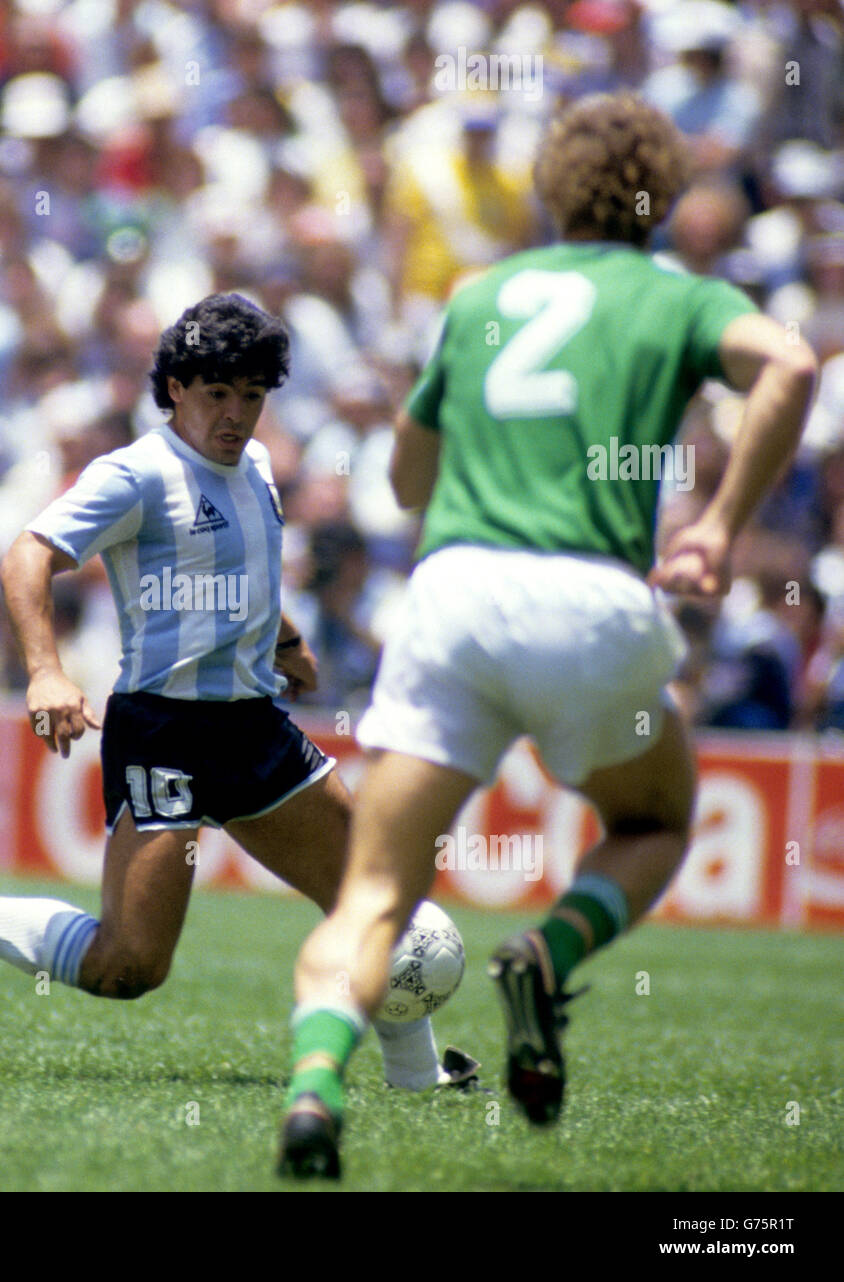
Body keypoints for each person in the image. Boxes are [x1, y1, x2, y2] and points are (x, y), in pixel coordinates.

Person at [277, 93, 818, 1178]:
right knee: (656, 818)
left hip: (453, 596)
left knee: (376, 891)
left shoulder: (480, 294)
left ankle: (311, 1090)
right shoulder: (677, 297)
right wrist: (714, 527)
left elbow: (405, 477)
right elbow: (794, 367)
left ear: (548, 187)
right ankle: (548, 946)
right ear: (661, 196)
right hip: (593, 603)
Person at [0, 292, 480, 1094]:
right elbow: (27, 556)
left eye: (253, 395)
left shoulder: (258, 465)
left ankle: (417, 1075)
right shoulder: (136, 473)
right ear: (178, 389)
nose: (236, 414)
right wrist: (48, 670)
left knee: (375, 897)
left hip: (255, 728)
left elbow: (249, 578)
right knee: (128, 967)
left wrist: (287, 644)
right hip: (165, 736)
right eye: (218, 393)